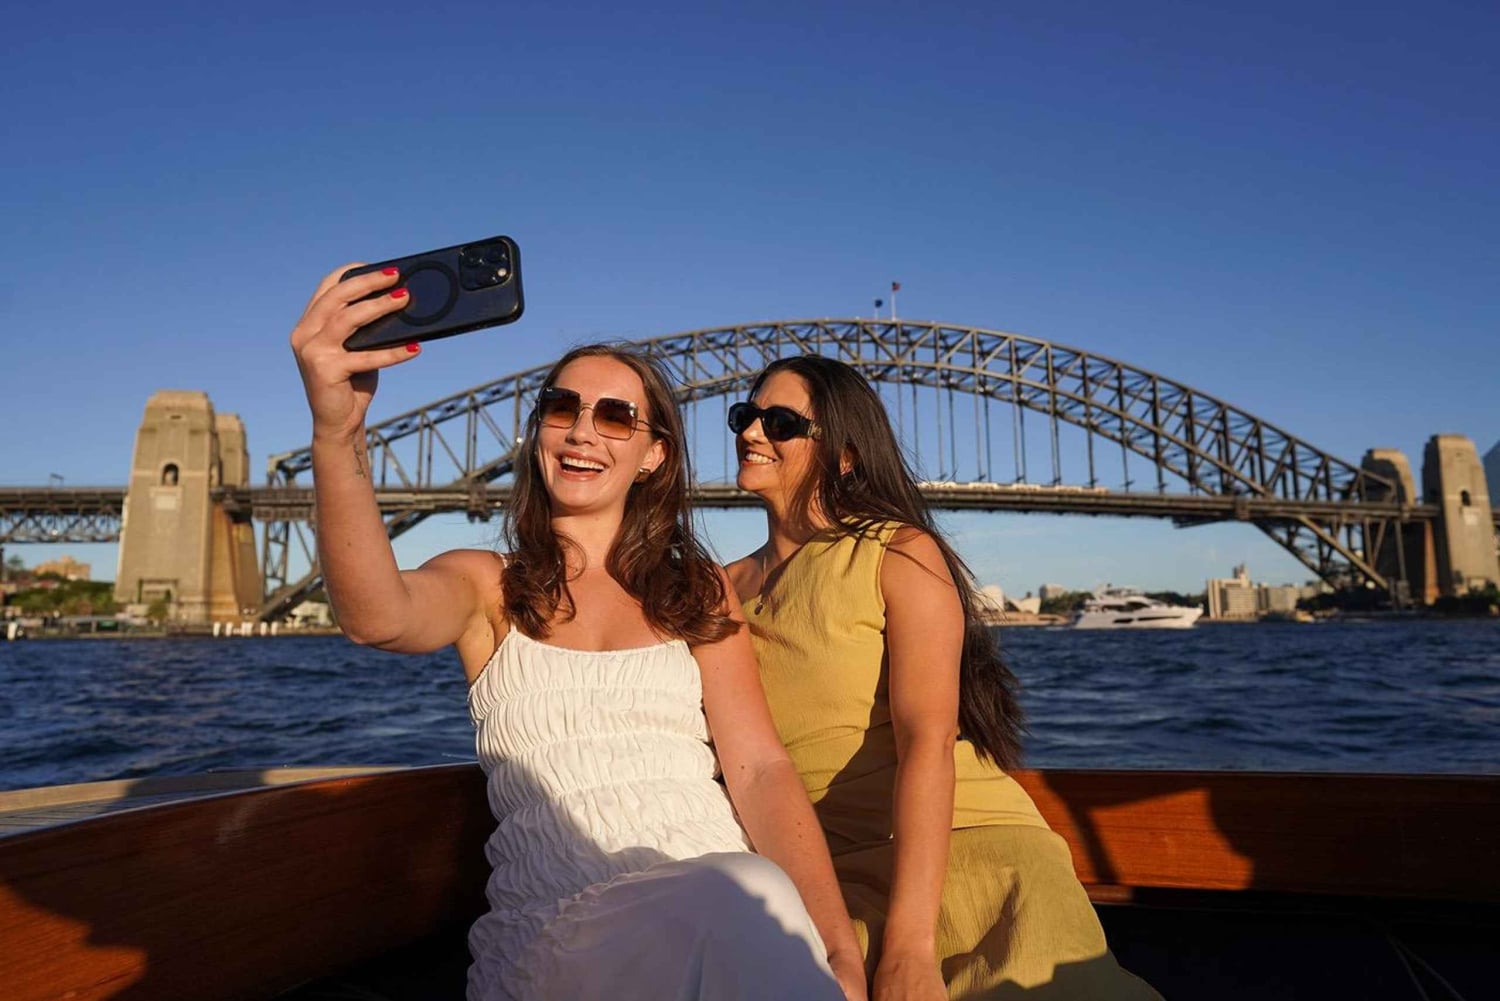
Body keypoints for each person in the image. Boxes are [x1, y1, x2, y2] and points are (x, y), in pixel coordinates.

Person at [290, 266, 867, 1001]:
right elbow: (377, 617)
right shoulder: (487, 585)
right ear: (539, 434)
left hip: (727, 915)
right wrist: (337, 431)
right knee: (740, 893)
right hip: (563, 939)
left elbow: (759, 770)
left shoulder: (695, 588)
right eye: (562, 407)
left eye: (616, 417)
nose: (583, 430)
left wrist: (836, 943)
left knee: (749, 899)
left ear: (654, 452)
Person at [725, 355, 1160, 1001]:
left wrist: (909, 947)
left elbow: (929, 738)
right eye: (746, 415)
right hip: (822, 877)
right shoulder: (722, 586)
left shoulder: (896, 551)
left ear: (844, 455)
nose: (752, 432)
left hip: (964, 853)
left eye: (780, 421)